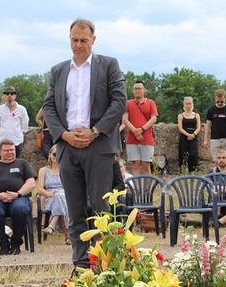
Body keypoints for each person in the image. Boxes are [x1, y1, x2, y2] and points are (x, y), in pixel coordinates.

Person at [42, 18, 127, 273]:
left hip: (98, 146)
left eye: (83, 40)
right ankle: (81, 266)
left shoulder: (108, 65)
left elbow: (119, 101)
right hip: (68, 148)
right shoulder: (58, 70)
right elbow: (48, 106)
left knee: (100, 209)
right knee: (76, 210)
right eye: (74, 40)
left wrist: (94, 131)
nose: (78, 45)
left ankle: (103, 265)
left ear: (93, 40)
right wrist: (63, 135)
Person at [0, 139, 35, 256]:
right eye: (6, 150)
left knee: (20, 209)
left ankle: (16, 242)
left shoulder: (23, 164)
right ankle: (3, 243)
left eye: (12, 150)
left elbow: (31, 182)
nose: (10, 152)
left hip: (19, 197)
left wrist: (18, 194)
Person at [36, 145, 70, 245]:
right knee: (58, 198)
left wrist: (61, 193)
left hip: (65, 197)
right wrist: (50, 194)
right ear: (50, 155)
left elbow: (70, 187)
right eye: (55, 154)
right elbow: (40, 189)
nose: (57, 156)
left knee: (60, 197)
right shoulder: (43, 170)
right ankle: (67, 236)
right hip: (49, 198)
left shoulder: (66, 169)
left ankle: (52, 225)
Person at [122, 80, 158, 176]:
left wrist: (141, 129)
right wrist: (135, 131)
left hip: (147, 138)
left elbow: (153, 118)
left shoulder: (151, 103)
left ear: (144, 90)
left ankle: (147, 190)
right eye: (135, 89)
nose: (137, 90)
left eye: (139, 88)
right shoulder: (128, 103)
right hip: (132, 138)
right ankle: (136, 189)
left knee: (146, 165)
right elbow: (125, 119)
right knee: (135, 165)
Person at [0, 85, 30, 158]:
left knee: (17, 162)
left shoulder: (21, 109)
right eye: (7, 94)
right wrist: (2, 134)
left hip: (17, 141)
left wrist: (19, 134)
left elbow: (24, 124)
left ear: (15, 96)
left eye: (12, 94)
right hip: (3, 141)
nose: (9, 95)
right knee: (4, 162)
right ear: (4, 96)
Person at [203, 89, 226, 162]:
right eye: (218, 101)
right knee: (216, 161)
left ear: (225, 98)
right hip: (214, 139)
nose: (220, 103)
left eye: (222, 101)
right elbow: (208, 125)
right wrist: (205, 140)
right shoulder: (211, 110)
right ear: (215, 98)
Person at [177, 96, 201, 173]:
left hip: (193, 137)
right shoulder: (181, 116)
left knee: (194, 155)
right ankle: (183, 172)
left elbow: (199, 127)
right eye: (187, 104)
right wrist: (188, 135)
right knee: (184, 156)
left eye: (190, 103)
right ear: (184, 105)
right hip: (184, 137)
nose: (188, 105)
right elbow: (180, 128)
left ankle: (193, 172)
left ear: (192, 104)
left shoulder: (196, 115)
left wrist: (193, 135)